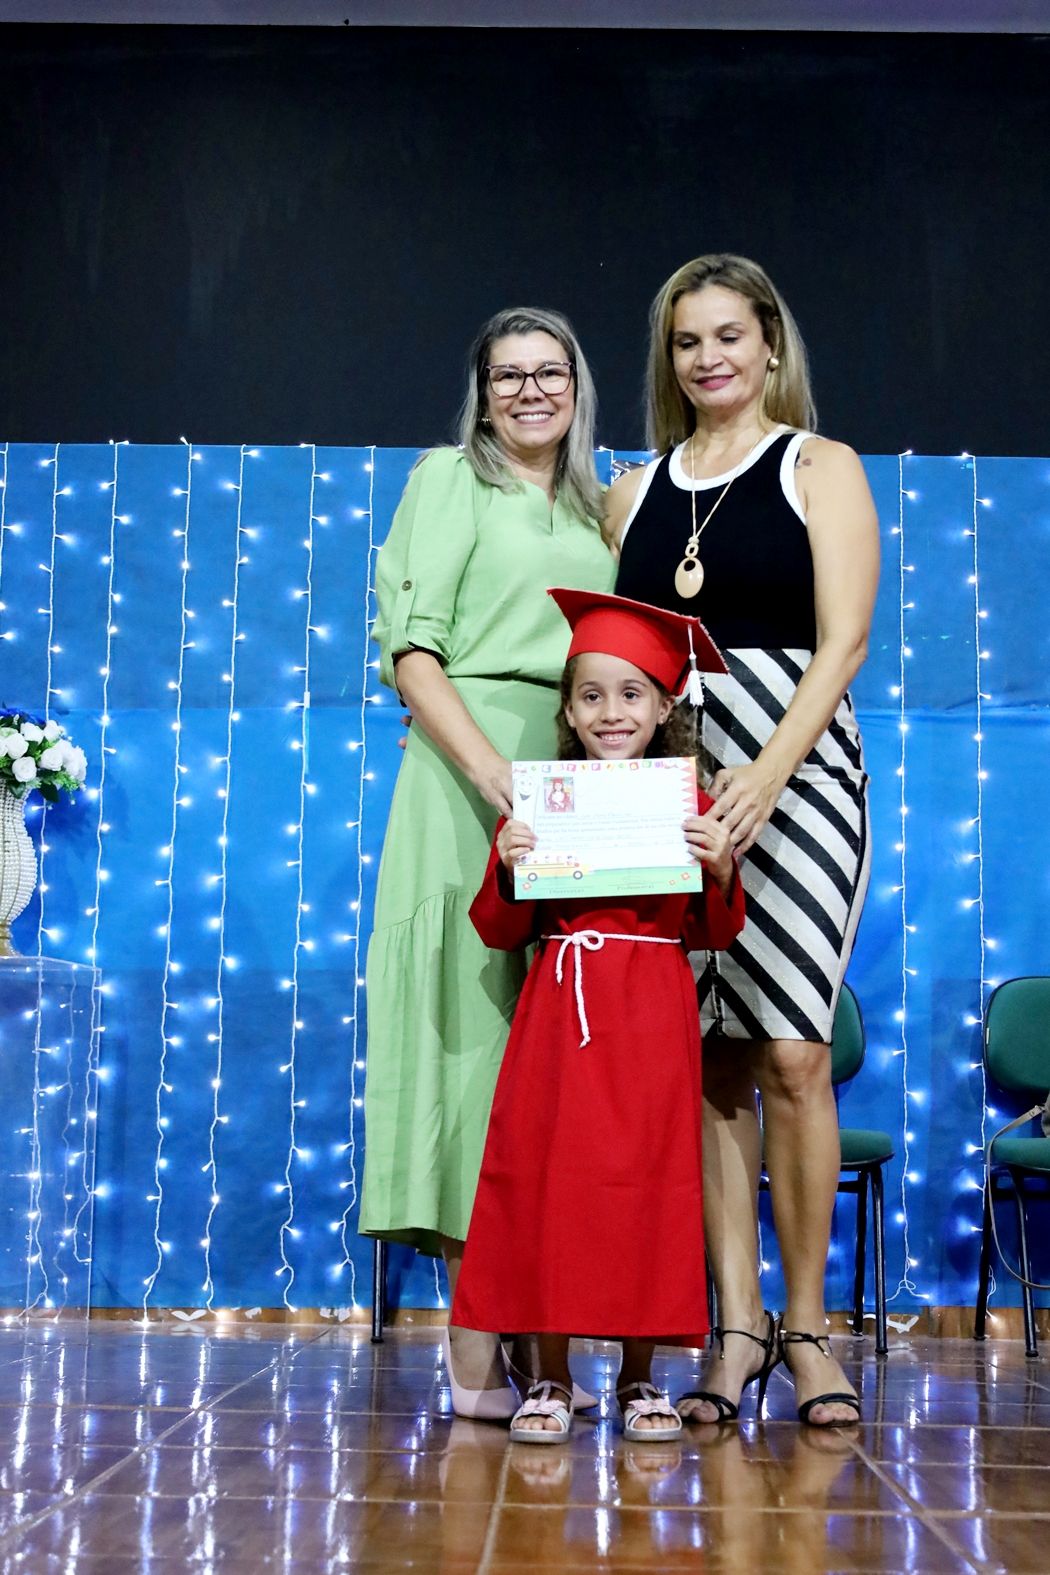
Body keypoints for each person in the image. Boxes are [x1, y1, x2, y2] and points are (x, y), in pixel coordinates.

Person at [605, 254, 879, 1427]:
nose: (708, 357)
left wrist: (765, 777)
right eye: (687, 341)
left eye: (728, 334)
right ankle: (736, 1332)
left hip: (797, 781)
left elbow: (844, 641)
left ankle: (808, 1331)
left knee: (793, 1056)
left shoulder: (821, 467)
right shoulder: (630, 493)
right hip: (670, 790)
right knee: (709, 1065)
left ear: (770, 344)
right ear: (668, 360)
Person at [359, 308, 615, 1417]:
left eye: (549, 371)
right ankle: (473, 1346)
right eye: (507, 375)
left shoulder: (603, 503)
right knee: (471, 1054)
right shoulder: (447, 480)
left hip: (577, 776)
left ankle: (544, 1341)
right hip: (470, 780)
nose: (529, 390)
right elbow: (412, 654)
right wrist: (494, 773)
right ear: (482, 390)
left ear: (577, 385)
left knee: (553, 1057)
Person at [452, 588, 746, 1443]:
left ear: (662, 708)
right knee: (552, 1183)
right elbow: (498, 927)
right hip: (561, 1009)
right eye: (591, 696)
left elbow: (713, 931)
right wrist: (509, 863)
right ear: (570, 713)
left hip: (650, 1010)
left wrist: (721, 867)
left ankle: (640, 1377)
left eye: (630, 694)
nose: (610, 712)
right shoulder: (541, 805)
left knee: (649, 1182)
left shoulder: (689, 805)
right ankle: (550, 1376)